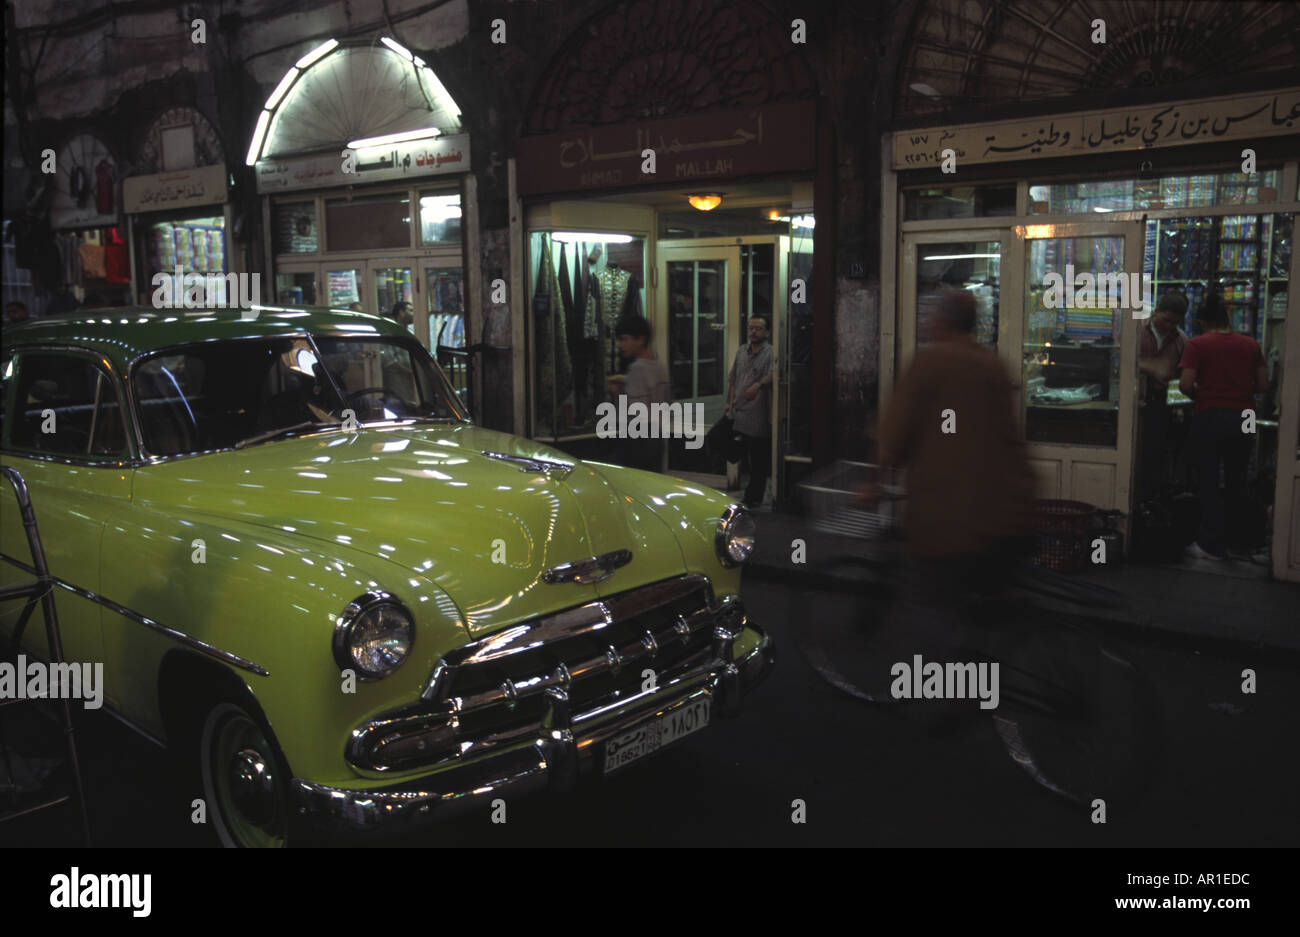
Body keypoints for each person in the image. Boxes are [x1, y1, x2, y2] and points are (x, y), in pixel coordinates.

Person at [863, 290, 1037, 672]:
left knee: (933, 602)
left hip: (949, 516)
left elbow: (894, 434)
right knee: (983, 601)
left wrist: (876, 482)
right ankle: (993, 664)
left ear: (940, 322)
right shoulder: (991, 365)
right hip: (1006, 509)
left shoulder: (932, 362)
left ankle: (953, 691)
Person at [1177, 292, 1268, 560]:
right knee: (1238, 479)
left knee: (1207, 479)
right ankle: (1240, 542)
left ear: (1203, 322)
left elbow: (1184, 384)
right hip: (1246, 417)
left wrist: (1203, 395)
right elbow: (1263, 386)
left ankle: (1210, 544)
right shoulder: (1252, 345)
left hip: (1211, 414)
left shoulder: (1198, 344)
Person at [1136, 292, 1189, 501]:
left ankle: (1147, 499)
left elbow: (1178, 379)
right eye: (1166, 320)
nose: (1169, 326)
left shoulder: (1182, 341)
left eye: (1175, 323)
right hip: (1132, 399)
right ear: (1156, 311)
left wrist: (1178, 409)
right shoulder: (1137, 331)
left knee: (1152, 454)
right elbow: (1119, 359)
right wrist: (1151, 367)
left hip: (1158, 403)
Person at [606, 314, 670, 471]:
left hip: (638, 438)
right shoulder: (658, 366)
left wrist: (616, 393)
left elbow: (635, 411)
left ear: (640, 339)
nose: (621, 345)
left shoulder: (638, 368)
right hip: (656, 435)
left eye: (625, 339)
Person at [725, 315, 773, 507]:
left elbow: (774, 373)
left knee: (758, 458)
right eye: (751, 328)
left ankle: (753, 497)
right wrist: (730, 402)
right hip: (738, 409)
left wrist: (759, 385)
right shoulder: (741, 352)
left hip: (757, 413)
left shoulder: (770, 353)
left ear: (767, 332)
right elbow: (733, 379)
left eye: (758, 328)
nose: (753, 332)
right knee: (717, 438)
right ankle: (738, 460)